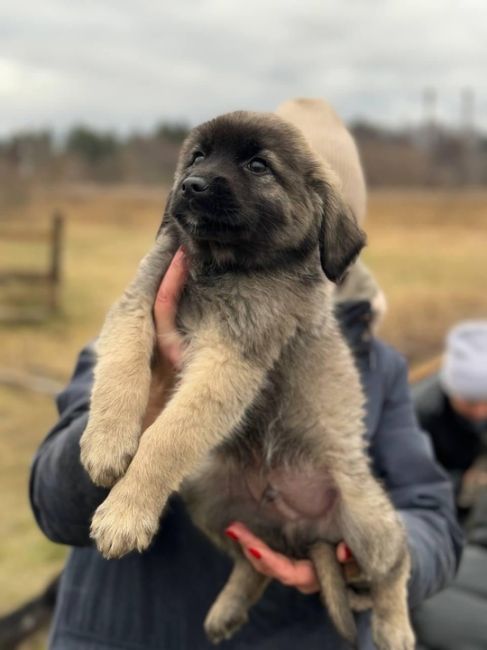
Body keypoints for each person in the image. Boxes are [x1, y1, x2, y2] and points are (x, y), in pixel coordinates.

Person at [30, 99, 462, 650]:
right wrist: (147, 394)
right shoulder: (161, 297)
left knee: (366, 515)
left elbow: (432, 516)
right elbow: (54, 503)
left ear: (322, 212)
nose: (201, 179)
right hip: (125, 631)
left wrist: (359, 567)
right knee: (200, 486)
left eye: (258, 166)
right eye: (198, 159)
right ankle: (247, 570)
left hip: (295, 630)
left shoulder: (380, 365)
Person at [412, 321, 487, 650]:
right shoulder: (420, 416)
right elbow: (416, 485)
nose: (482, 411)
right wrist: (462, 488)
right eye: (471, 402)